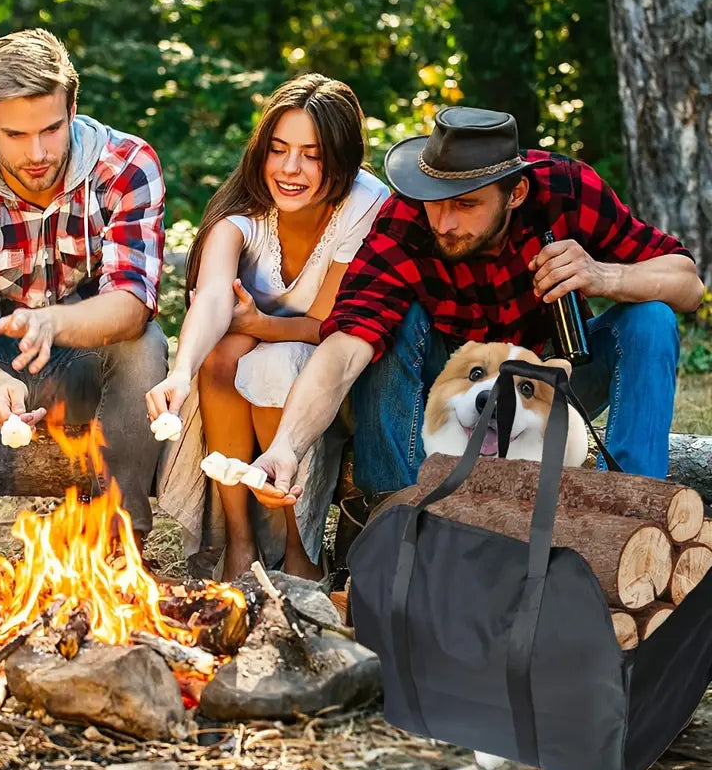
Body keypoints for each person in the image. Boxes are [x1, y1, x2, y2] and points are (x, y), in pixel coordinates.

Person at [247, 105, 706, 512]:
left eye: (466, 205)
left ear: (517, 193)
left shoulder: (566, 190)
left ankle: (628, 509)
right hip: (447, 393)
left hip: (551, 380)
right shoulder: (405, 219)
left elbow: (689, 287)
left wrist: (606, 277)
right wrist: (286, 448)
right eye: (435, 202)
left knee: (651, 318)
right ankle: (394, 511)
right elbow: (346, 347)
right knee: (385, 326)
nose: (444, 223)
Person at [0, 29, 168, 572]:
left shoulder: (125, 166)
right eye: (16, 134)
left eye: (53, 129)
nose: (38, 153)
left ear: (74, 106)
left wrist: (55, 322)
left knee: (146, 343)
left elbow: (132, 302)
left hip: (83, 362)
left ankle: (121, 546)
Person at [145, 74, 389, 581]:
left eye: (311, 154)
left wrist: (257, 323)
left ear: (340, 159)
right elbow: (213, 297)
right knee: (221, 354)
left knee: (266, 359)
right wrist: (180, 370)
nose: (290, 169)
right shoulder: (243, 210)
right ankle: (240, 542)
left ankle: (301, 552)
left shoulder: (364, 203)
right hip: (243, 370)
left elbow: (326, 325)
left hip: (332, 376)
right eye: (278, 150)